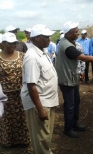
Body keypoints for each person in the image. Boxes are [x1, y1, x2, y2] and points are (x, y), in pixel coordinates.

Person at [56, 21, 93, 138]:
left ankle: (74, 123)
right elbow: (83, 58)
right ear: (68, 33)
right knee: (69, 105)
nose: (77, 34)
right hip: (67, 79)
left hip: (72, 77)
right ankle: (68, 129)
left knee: (76, 101)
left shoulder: (69, 42)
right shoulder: (66, 46)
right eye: (75, 32)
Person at [21, 24, 59, 154]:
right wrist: (40, 109)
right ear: (37, 38)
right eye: (46, 37)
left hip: (47, 101)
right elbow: (31, 86)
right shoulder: (32, 57)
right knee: (41, 138)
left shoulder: (42, 52)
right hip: (40, 104)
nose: (49, 39)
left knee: (46, 136)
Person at [0, 32, 30, 146]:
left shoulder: (22, 55)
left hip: (20, 93)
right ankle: (8, 142)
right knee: (6, 119)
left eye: (14, 43)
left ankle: (22, 140)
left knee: (21, 117)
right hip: (4, 95)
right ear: (3, 43)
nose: (13, 46)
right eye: (10, 43)